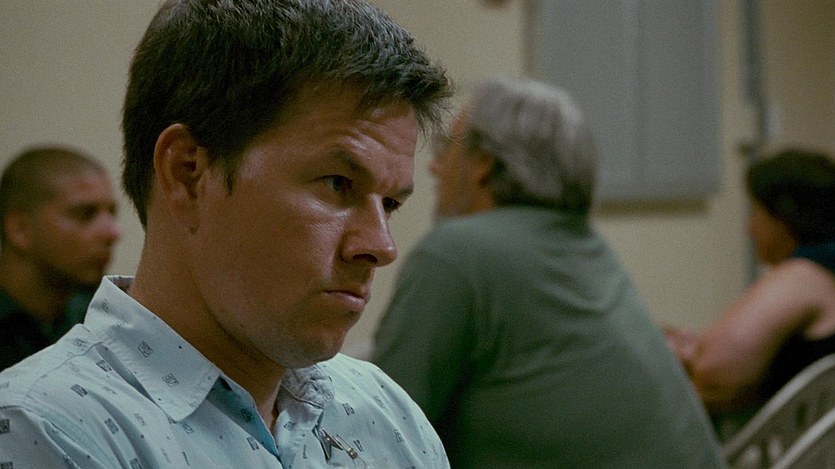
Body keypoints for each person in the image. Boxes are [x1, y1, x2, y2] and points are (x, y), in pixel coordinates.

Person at [0, 1, 451, 467]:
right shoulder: (43, 429)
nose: (381, 246)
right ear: (188, 173)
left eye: (390, 204)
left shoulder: (389, 416)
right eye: (338, 184)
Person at [372, 77, 726, 468]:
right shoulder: (585, 247)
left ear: (483, 163)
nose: (435, 167)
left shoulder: (457, 251)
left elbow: (376, 431)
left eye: (447, 149)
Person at [666, 148, 835, 439]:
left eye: (756, 212)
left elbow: (715, 373)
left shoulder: (803, 275)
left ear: (783, 217)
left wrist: (688, 356)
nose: (750, 229)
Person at [0, 145, 120, 370]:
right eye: (86, 214)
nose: (112, 233)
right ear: (20, 230)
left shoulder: (104, 318)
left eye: (111, 213)